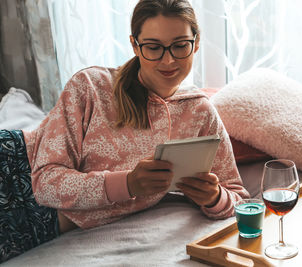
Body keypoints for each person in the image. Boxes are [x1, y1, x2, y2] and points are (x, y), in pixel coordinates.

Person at [0, 0, 249, 263]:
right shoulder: (90, 87)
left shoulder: (200, 112)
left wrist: (214, 197)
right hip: (13, 168)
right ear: (135, 45)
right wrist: (128, 184)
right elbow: (45, 184)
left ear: (196, 43)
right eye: (154, 47)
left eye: (180, 45)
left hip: (37, 229)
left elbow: (241, 200)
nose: (168, 59)